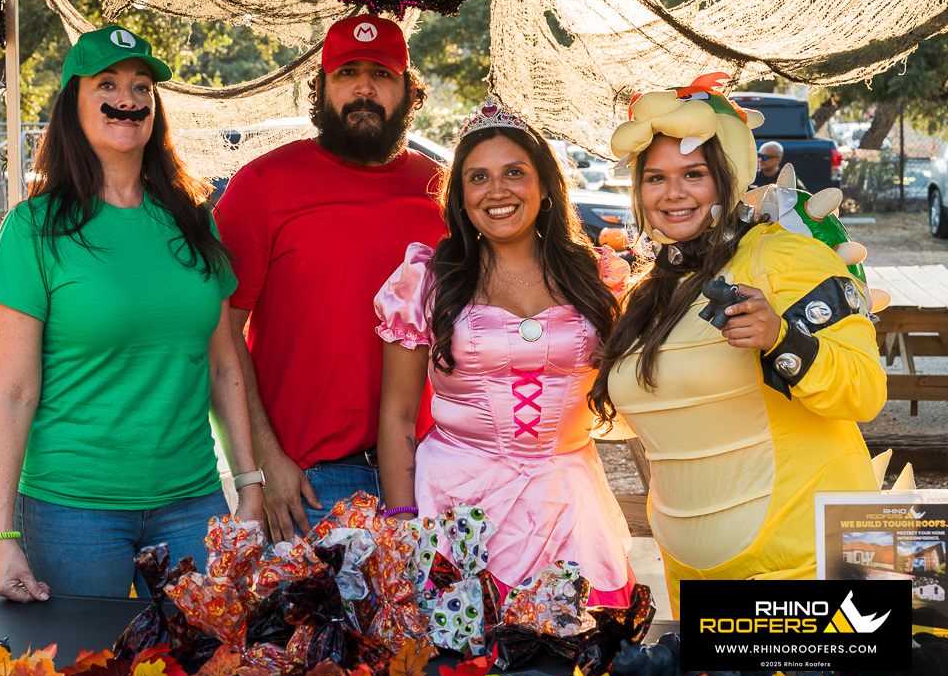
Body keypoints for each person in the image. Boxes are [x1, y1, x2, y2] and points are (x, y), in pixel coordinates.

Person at [0, 26, 263, 603]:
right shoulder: (34, 228)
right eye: (107, 83)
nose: (127, 98)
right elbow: (10, 391)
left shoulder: (194, 220)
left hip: (194, 505)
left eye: (141, 86)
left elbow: (223, 366)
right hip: (71, 513)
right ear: (73, 105)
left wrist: (250, 483)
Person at [589, 74, 886, 617]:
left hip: (804, 568)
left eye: (693, 174)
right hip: (693, 578)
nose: (673, 192)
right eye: (654, 177)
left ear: (725, 179)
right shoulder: (649, 293)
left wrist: (782, 338)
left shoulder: (783, 257)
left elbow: (865, 392)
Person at [374, 97, 636, 605]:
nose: (497, 191)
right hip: (453, 506)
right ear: (461, 196)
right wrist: (404, 525)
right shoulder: (427, 281)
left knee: (574, 664)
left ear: (544, 186)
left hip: (569, 505)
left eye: (514, 172)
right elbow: (398, 415)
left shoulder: (597, 277)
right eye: (478, 177)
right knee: (456, 670)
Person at [215, 14, 446, 542]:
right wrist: (264, 464)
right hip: (310, 482)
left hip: (429, 472)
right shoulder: (262, 185)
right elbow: (220, 336)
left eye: (382, 75)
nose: (364, 89)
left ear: (411, 92)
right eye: (347, 74)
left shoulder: (444, 189)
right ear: (318, 89)